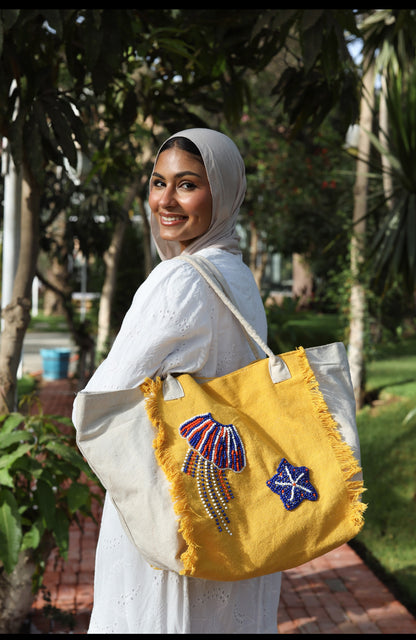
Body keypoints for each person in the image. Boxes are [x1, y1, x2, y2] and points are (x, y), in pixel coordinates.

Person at [73, 128, 282, 634]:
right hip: (234, 509)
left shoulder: (181, 279)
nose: (166, 200)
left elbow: (100, 401)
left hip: (173, 512)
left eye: (186, 184)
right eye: (158, 182)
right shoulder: (238, 275)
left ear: (223, 192)